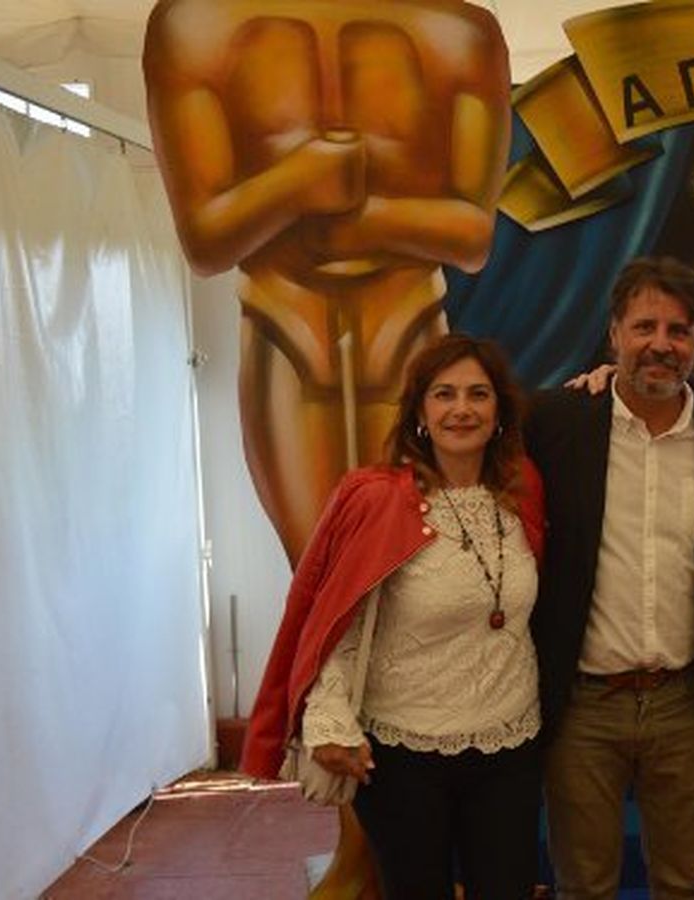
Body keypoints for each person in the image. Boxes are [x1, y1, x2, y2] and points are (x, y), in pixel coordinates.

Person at [143, 0, 512, 567]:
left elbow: (471, 235)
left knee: (418, 571)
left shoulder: (459, 31)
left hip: (405, 322)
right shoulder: (197, 25)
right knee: (317, 578)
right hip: (285, 320)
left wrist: (340, 210)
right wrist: (300, 180)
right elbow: (204, 240)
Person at [241, 334, 546, 900]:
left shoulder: (522, 491)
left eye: (479, 394)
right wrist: (329, 720)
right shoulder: (376, 497)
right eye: (444, 394)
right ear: (421, 413)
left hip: (510, 746)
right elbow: (336, 621)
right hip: (405, 757)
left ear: (499, 410)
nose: (462, 409)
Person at [525, 257, 694, 899]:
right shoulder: (558, 422)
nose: (661, 344)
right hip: (583, 704)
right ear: (614, 333)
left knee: (684, 883)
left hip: (682, 698)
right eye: (644, 325)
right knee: (585, 885)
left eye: (679, 330)